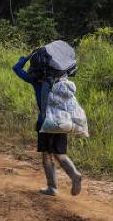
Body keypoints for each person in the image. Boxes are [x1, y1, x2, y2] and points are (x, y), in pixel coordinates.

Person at [13, 53, 82, 196]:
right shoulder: (61, 81)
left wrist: (25, 57)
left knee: (47, 155)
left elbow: (16, 68)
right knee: (60, 153)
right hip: (62, 122)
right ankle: (74, 174)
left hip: (45, 122)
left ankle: (52, 187)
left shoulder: (36, 81)